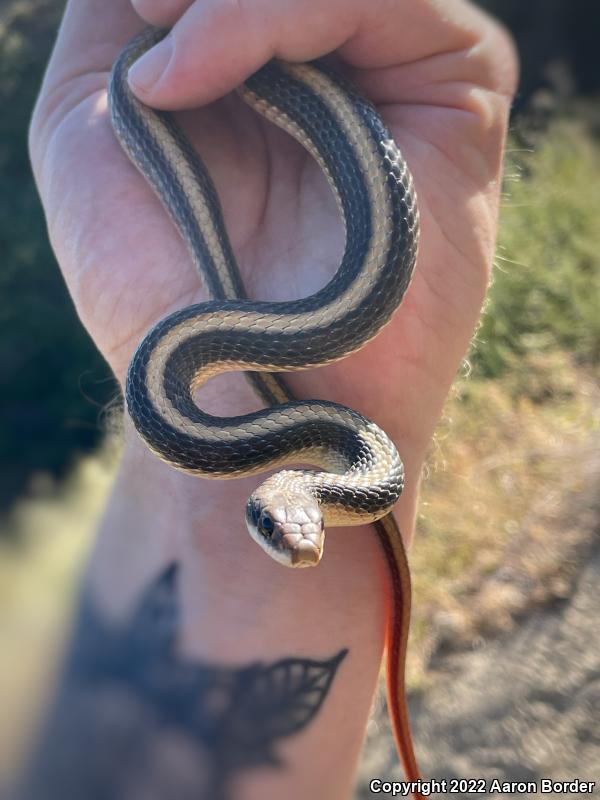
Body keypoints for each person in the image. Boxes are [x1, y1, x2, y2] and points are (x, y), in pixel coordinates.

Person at [22, 1, 517, 798]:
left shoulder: (311, 462)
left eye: (295, 531)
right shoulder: (324, 464)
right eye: (298, 534)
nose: (303, 546)